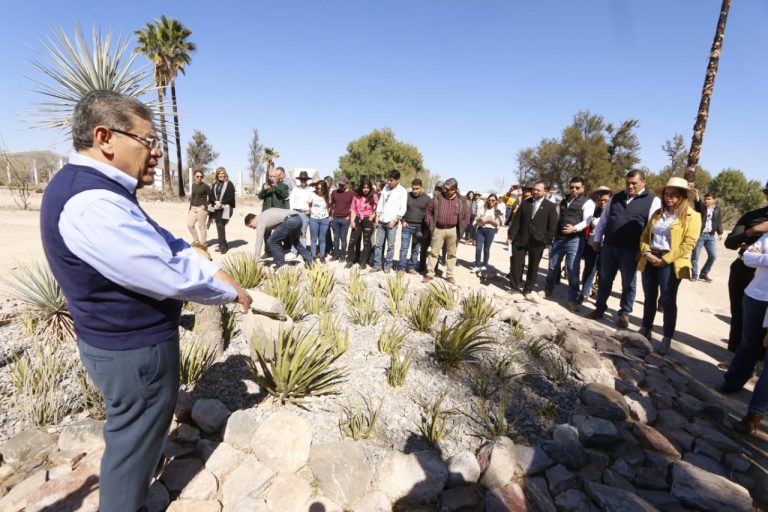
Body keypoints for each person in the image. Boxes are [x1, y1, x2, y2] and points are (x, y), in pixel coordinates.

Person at [40, 90, 252, 512]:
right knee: (129, 449)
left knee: (137, 435)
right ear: (105, 137)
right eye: (148, 141)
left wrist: (212, 270)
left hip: (123, 343)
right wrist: (230, 291)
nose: (156, 152)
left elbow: (161, 239)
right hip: (133, 350)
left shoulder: (100, 188)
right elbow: (162, 273)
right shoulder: (92, 202)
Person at [587, 169, 661, 328]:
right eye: (628, 183)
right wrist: (597, 239)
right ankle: (600, 308)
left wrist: (644, 250)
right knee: (605, 279)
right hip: (610, 247)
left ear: (643, 182)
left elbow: (652, 228)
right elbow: (604, 220)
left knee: (628, 283)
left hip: (632, 251)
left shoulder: (653, 200)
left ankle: (624, 313)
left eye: (634, 183)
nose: (630, 186)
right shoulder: (615, 198)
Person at [637, 177, 701, 354]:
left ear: (682, 196)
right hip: (651, 257)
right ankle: (645, 329)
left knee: (668, 300)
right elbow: (644, 236)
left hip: (671, 263)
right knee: (649, 296)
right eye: (667, 193)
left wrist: (665, 260)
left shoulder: (693, 216)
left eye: (674, 194)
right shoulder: (658, 213)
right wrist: (646, 252)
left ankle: (667, 337)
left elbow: (688, 244)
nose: (669, 197)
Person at [720, 232, 768, 436]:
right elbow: (747, 256)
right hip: (757, 295)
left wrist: (762, 258)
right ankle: (733, 381)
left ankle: (755, 414)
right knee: (749, 343)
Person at [724, 182, 768, 353]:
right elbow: (730, 242)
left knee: (763, 321)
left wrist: (756, 251)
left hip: (763, 275)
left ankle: (759, 360)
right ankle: (736, 355)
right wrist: (755, 230)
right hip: (743, 270)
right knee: (739, 314)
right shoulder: (752, 216)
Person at [544, 177, 595, 311]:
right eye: (572, 187)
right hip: (559, 238)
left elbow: (587, 221)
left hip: (575, 240)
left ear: (583, 188)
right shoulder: (564, 200)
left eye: (577, 187)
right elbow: (559, 217)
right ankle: (547, 290)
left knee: (572, 270)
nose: (574, 190)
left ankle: (572, 299)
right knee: (552, 266)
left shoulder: (588, 202)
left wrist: (574, 228)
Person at [507, 181, 557, 301]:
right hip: (521, 239)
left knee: (533, 267)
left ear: (545, 191)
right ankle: (514, 287)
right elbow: (517, 221)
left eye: (538, 190)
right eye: (534, 189)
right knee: (516, 264)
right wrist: (511, 236)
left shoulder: (550, 206)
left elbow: (552, 226)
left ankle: (528, 290)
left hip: (538, 242)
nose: (535, 192)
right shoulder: (525, 203)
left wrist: (546, 240)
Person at [423, 178, 470, 284]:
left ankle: (449, 275)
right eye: (445, 188)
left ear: (455, 189)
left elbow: (467, 215)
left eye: (448, 189)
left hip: (453, 230)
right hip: (438, 229)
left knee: (452, 254)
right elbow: (428, 210)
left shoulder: (462, 200)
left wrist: (463, 225)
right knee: (433, 252)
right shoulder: (438, 197)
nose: (445, 190)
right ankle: (430, 274)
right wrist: (430, 223)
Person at [579, 186, 612, 303]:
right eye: (600, 200)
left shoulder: (614, 213)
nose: (602, 202)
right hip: (591, 245)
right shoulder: (593, 212)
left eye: (606, 200)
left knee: (604, 273)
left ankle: (600, 297)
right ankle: (584, 293)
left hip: (606, 247)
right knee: (589, 270)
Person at [245, 210, 311, 268]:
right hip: (298, 218)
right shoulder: (264, 215)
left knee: (271, 241)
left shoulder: (259, 221)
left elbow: (259, 240)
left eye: (251, 226)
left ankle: (281, 265)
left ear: (252, 220)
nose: (253, 228)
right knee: (295, 242)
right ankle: (310, 261)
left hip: (289, 220)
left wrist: (256, 258)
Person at [373, 170, 408, 273]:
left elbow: (403, 208)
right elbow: (381, 203)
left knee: (390, 245)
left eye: (391, 180)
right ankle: (377, 264)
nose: (389, 182)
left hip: (392, 222)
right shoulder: (385, 188)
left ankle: (388, 265)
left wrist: (396, 220)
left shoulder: (402, 191)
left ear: (397, 180)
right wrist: (377, 215)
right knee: (378, 244)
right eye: (388, 180)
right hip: (381, 220)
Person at [399, 178, 430, 274]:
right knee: (404, 248)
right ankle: (401, 268)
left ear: (421, 188)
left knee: (416, 249)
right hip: (407, 225)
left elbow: (428, 214)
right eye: (413, 188)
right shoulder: (407, 196)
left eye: (417, 188)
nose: (415, 191)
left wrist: (426, 230)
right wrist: (402, 220)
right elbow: (401, 209)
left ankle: (411, 267)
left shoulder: (427, 199)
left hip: (419, 228)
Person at [346, 178, 378, 269]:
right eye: (364, 187)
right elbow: (352, 208)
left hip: (368, 221)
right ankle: (349, 261)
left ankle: (363, 263)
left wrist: (374, 215)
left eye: (367, 187)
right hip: (358, 220)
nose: (366, 189)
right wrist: (352, 220)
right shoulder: (356, 196)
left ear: (370, 188)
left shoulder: (374, 196)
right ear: (361, 187)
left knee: (366, 243)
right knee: (352, 241)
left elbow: (378, 208)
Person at [691, 191, 723, 282]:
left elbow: (718, 221)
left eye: (709, 199)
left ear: (714, 200)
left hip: (711, 236)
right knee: (695, 257)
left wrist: (720, 232)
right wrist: (696, 195)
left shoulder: (717, 209)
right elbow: (698, 203)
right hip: (700, 235)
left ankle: (704, 274)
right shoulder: (702, 208)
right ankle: (694, 275)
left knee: (713, 256)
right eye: (705, 199)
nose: (706, 200)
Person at [472, 194, 503, 273]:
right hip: (481, 229)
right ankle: (477, 265)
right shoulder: (483, 208)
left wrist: (490, 220)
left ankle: (485, 265)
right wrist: (480, 218)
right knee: (478, 248)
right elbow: (476, 220)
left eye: (493, 200)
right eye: (489, 200)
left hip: (490, 231)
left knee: (486, 249)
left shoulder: (497, 211)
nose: (491, 201)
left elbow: (499, 224)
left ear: (496, 201)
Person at [208, 167, 236, 254]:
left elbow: (230, 196)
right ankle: (223, 244)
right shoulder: (215, 184)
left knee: (220, 224)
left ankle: (223, 247)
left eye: (223, 173)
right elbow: (211, 195)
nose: (221, 175)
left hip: (227, 207)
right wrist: (215, 202)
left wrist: (222, 203)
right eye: (219, 174)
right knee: (219, 225)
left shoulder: (229, 184)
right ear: (217, 175)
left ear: (225, 174)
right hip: (217, 207)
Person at [330, 176, 354, 261]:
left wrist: (350, 217)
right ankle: (336, 255)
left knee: (343, 238)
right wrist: (331, 216)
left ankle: (343, 255)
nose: (341, 186)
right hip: (335, 218)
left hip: (345, 219)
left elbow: (352, 207)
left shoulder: (351, 193)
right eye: (339, 184)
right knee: (336, 238)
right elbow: (331, 205)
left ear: (346, 184)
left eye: (342, 184)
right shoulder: (334, 192)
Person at [287, 170, 313, 253]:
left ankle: (303, 251)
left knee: (303, 233)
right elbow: (292, 201)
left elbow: (313, 202)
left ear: (307, 180)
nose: (303, 181)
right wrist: (292, 213)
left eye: (304, 179)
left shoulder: (311, 189)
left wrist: (310, 210)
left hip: (306, 213)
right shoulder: (295, 189)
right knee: (294, 233)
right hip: (296, 213)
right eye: (302, 179)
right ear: (300, 180)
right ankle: (294, 251)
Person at [308, 179, 331, 262]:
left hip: (324, 219)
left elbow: (330, 206)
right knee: (313, 238)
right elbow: (309, 203)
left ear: (324, 188)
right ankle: (313, 255)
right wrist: (310, 210)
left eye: (321, 189)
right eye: (318, 188)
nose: (319, 190)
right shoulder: (312, 194)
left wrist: (329, 215)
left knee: (322, 239)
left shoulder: (327, 196)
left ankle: (322, 256)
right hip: (314, 218)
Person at [186, 169, 210, 246]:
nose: (199, 178)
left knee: (201, 226)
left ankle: (203, 243)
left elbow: (212, 198)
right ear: (194, 177)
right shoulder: (193, 185)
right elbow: (192, 197)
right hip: (193, 208)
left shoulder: (206, 186)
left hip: (201, 208)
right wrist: (190, 209)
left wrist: (205, 206)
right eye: (197, 176)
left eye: (201, 176)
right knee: (190, 225)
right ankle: (196, 241)